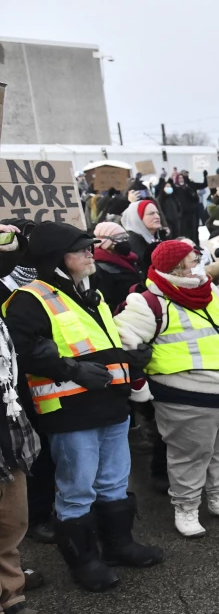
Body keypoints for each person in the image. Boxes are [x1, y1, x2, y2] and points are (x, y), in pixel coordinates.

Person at [3, 222, 164, 591]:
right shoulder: (31, 298)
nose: (91, 253)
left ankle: (119, 546)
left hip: (109, 403)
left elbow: (98, 343)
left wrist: (129, 358)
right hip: (71, 411)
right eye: (82, 249)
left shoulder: (88, 292)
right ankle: (85, 562)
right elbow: (21, 352)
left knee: (114, 482)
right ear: (58, 257)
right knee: (76, 490)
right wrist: (70, 369)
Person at [114, 240, 219, 537]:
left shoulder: (208, 289)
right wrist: (139, 387)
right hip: (187, 396)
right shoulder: (147, 302)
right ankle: (186, 508)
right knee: (189, 457)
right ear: (175, 268)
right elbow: (123, 344)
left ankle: (218, 498)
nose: (198, 267)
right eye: (192, 262)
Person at [0, 224, 48, 614]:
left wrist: (20, 239)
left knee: (13, 518)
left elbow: (23, 272)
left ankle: (11, 593)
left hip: (7, 421)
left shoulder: (2, 294)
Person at [91, 222, 141, 311]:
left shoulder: (130, 259)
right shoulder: (100, 267)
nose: (125, 241)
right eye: (119, 238)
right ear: (105, 241)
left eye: (126, 237)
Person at [121, 199, 165, 272]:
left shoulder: (159, 236)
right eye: (151, 213)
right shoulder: (133, 243)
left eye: (157, 213)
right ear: (137, 219)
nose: (157, 216)